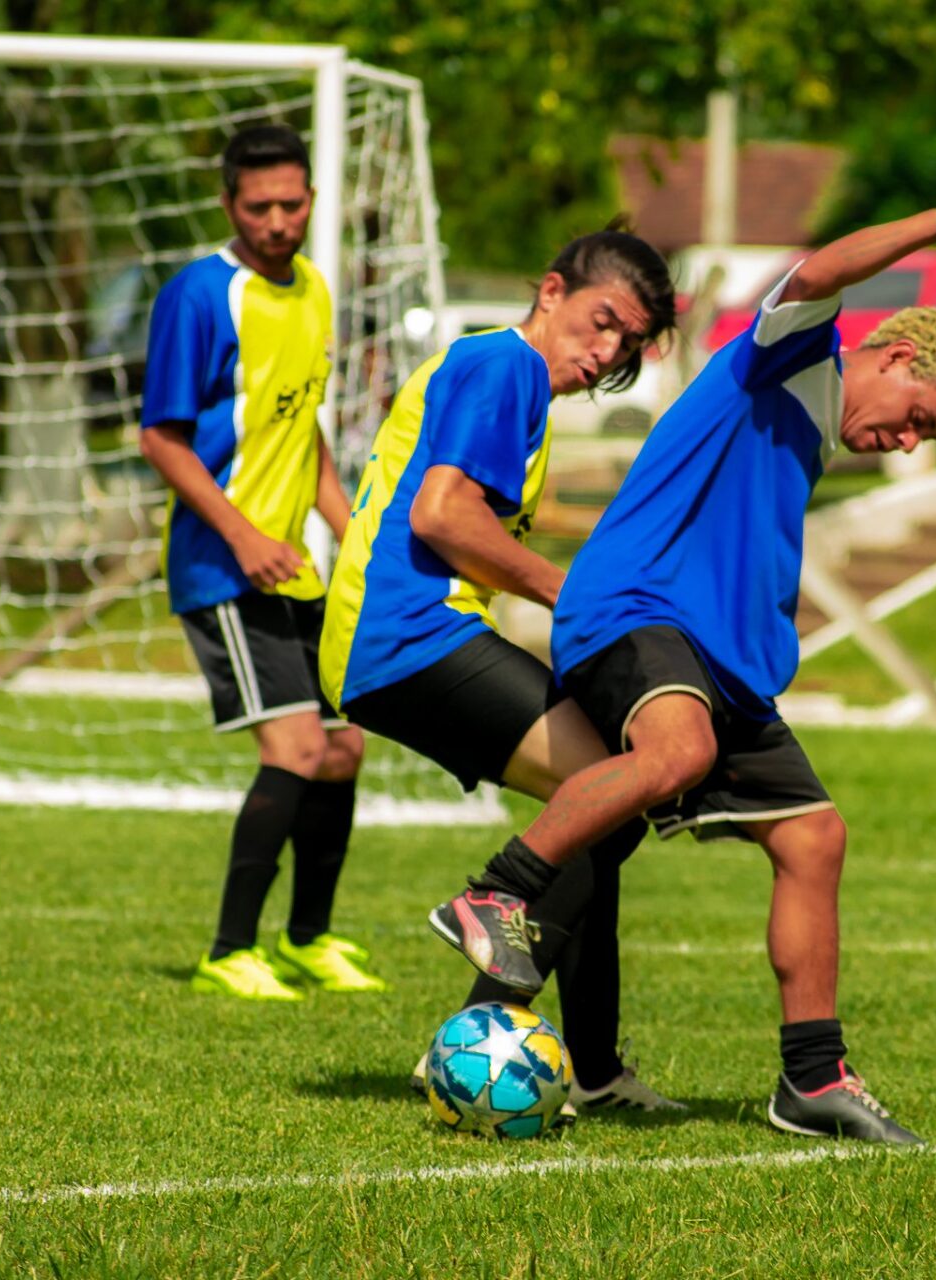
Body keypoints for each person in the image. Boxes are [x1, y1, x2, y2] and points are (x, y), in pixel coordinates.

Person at [432, 197, 936, 1142]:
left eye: (929, 438)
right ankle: (495, 889)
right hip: (637, 617)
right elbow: (823, 265)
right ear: (895, 358)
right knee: (675, 751)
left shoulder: (808, 431)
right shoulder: (789, 357)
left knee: (815, 838)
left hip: (717, 660)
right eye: (919, 418)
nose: (910, 441)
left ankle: (812, 1079)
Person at [320, 226, 685, 1111]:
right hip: (405, 635)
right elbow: (445, 520)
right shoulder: (506, 368)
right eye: (601, 324)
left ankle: (589, 1070)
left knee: (605, 807)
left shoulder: (507, 377)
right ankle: (490, 1020)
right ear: (551, 290)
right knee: (610, 789)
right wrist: (572, 594)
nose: (604, 356)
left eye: (626, 345)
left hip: (415, 632)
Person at [139, 125, 384, 1003]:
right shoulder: (200, 296)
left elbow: (300, 424)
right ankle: (227, 949)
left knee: (346, 746)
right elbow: (161, 440)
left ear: (312, 199)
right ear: (228, 204)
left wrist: (351, 523)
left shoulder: (315, 290)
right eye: (259, 207)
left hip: (297, 571)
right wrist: (243, 534)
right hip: (223, 568)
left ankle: (309, 939)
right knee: (295, 745)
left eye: (292, 204)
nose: (278, 221)